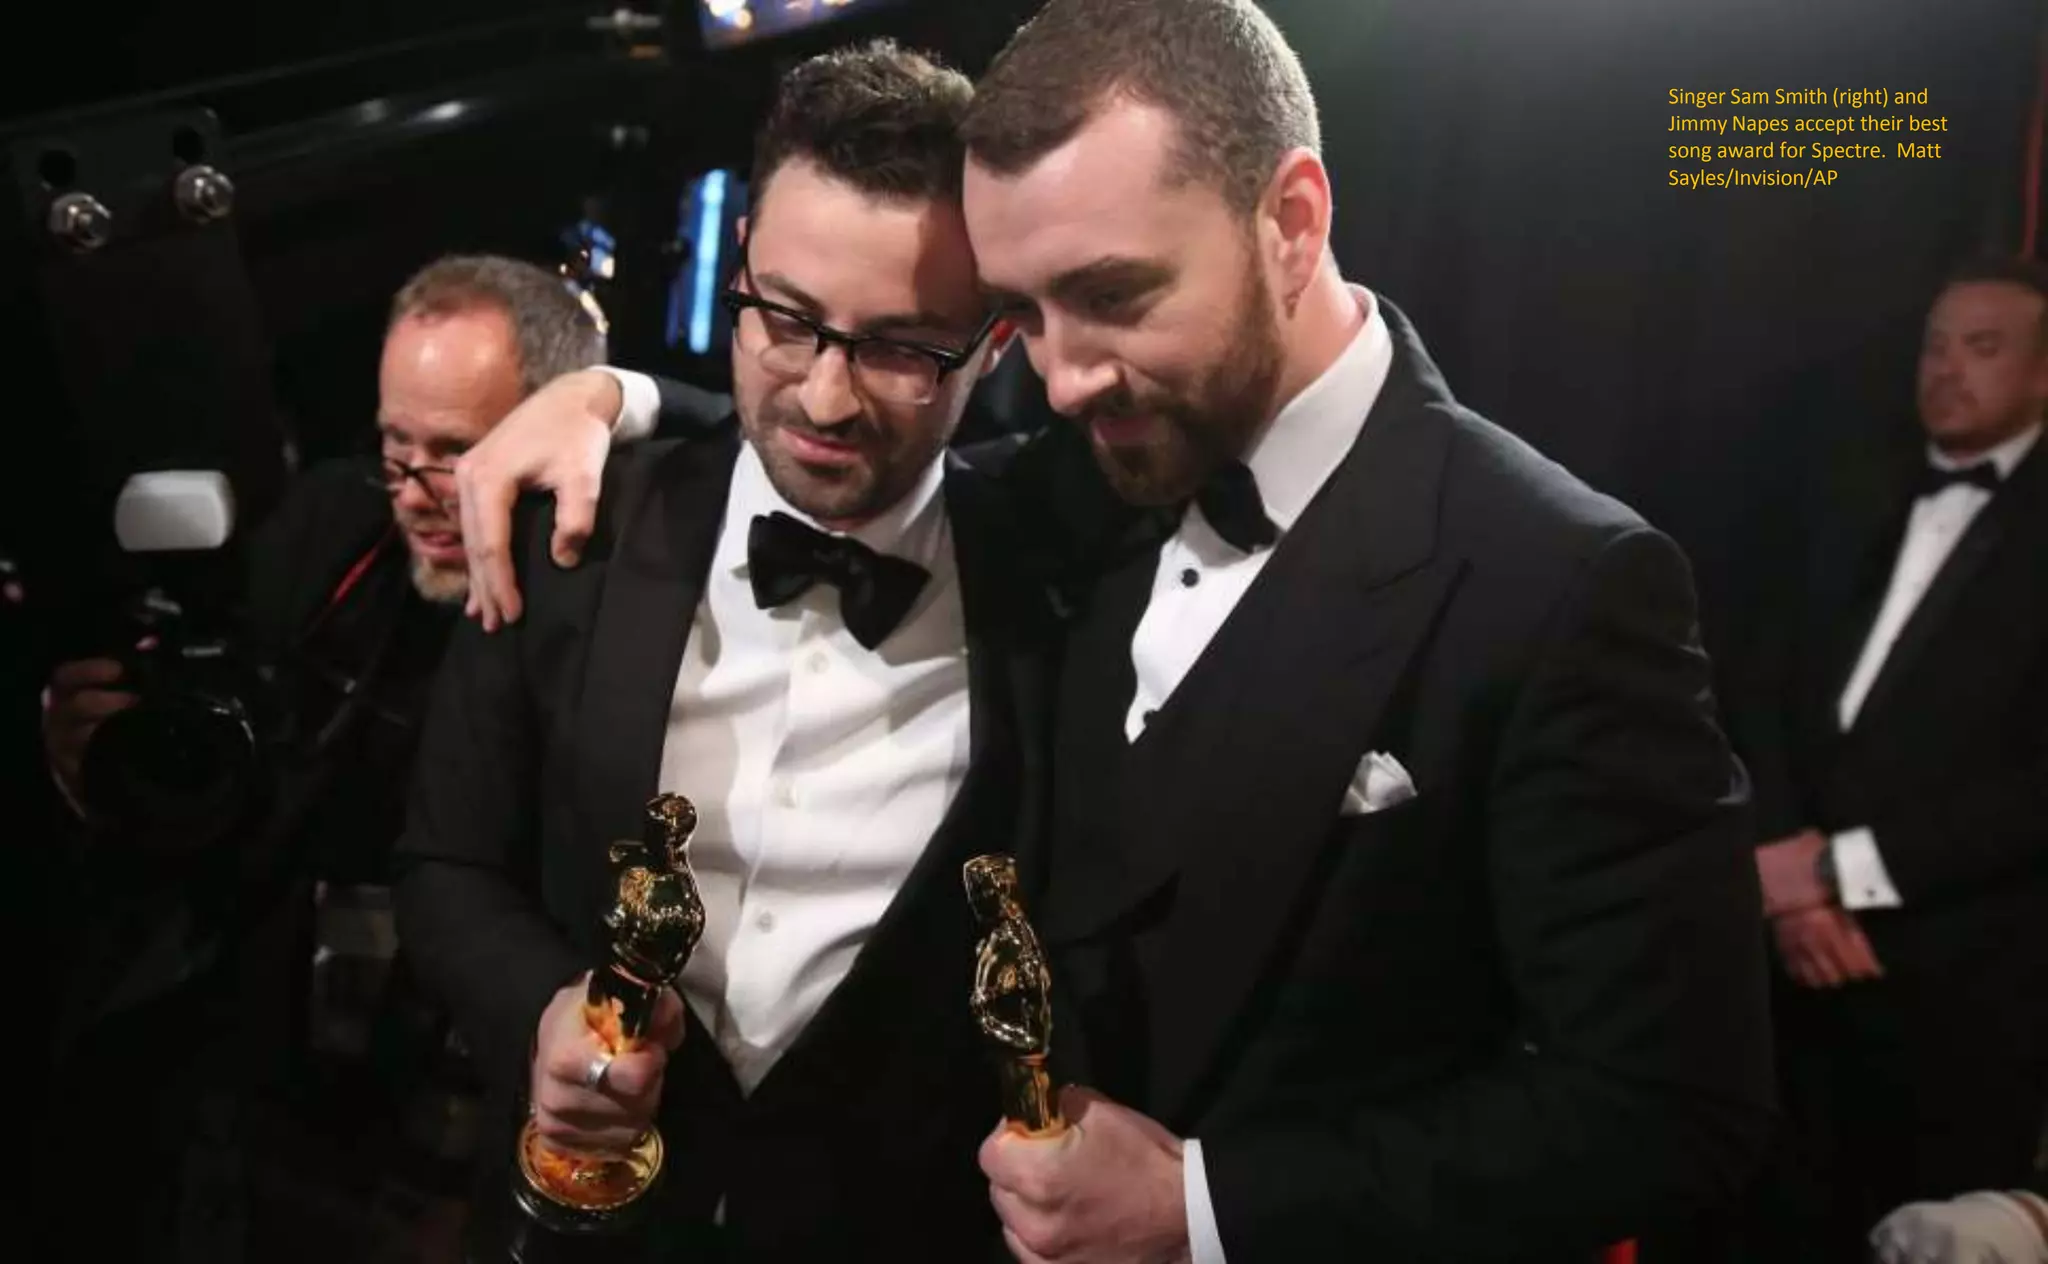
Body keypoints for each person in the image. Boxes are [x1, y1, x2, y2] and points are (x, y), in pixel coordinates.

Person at [453, 3, 1776, 1259]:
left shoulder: (1562, 580)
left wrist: (1205, 1210)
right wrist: (614, 398)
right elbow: (831, 442)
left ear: (1292, 221)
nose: (1065, 377)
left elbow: (1673, 1109)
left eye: (1115, 295)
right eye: (1026, 315)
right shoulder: (1089, 473)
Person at [391, 42, 1044, 1262]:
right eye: (784, 321)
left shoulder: (1056, 574)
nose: (826, 398)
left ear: (995, 342)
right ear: (737, 260)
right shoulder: (572, 527)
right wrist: (541, 1012)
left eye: (902, 348)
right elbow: (442, 863)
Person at [39, 253, 606, 1259]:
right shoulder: (329, 525)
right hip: (267, 1071)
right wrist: (110, 763)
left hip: (489, 1096)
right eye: (397, 448)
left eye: (457, 453)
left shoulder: (612, 599)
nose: (418, 493)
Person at [1728, 257, 2048, 1261]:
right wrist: (1785, 873)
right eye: (1935, 346)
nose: (1946, 369)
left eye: (1982, 348)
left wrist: (1835, 871)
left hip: (1957, 986)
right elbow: (1758, 679)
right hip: (1779, 967)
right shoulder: (1851, 487)